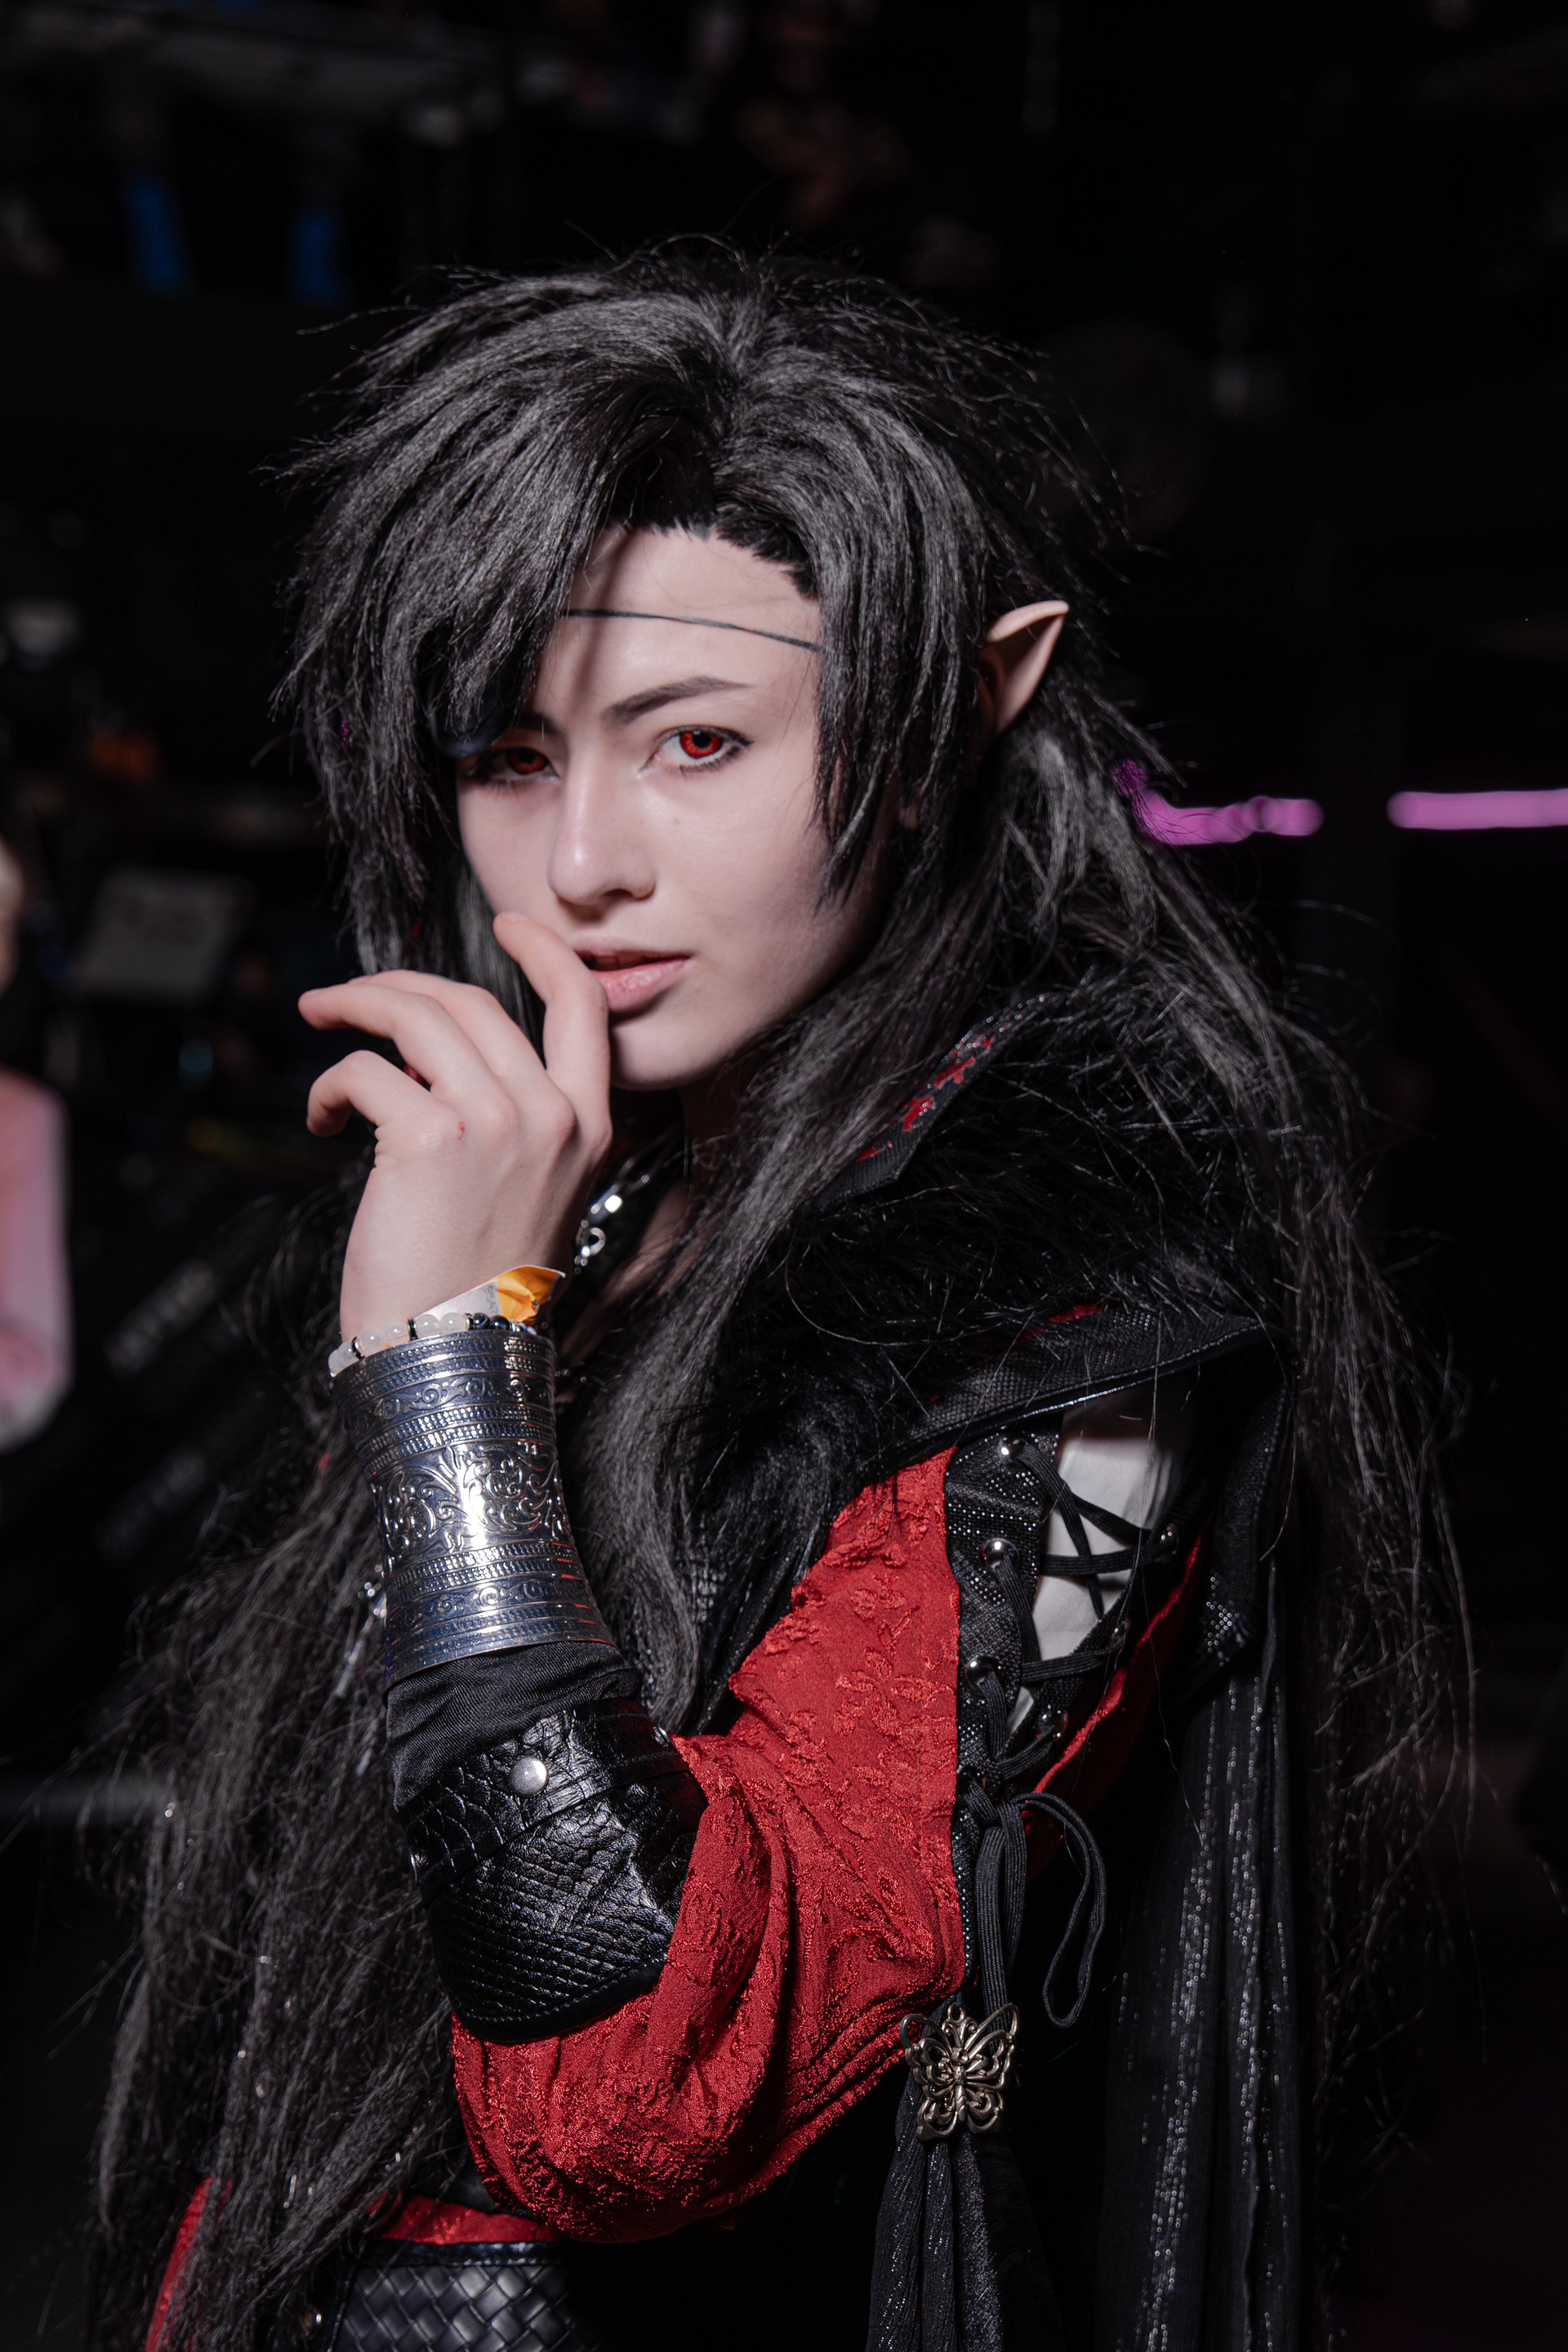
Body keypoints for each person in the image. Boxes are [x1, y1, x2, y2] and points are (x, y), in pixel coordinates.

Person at [91, 249, 1459, 2352]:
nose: (581, 865)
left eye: (699, 741)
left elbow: (627, 2100)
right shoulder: (587, 1186)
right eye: (508, 752)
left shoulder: (1059, 1305)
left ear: (946, 725)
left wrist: (448, 1381)